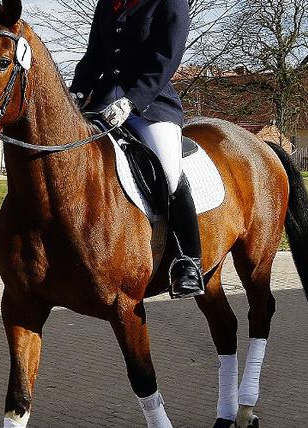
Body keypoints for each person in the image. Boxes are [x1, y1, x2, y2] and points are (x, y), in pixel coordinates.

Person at [69, 0, 202, 299]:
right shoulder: (108, 3)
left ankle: (188, 261)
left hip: (151, 105)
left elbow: (166, 58)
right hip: (102, 104)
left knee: (169, 172)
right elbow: (94, 57)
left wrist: (132, 102)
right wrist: (76, 93)